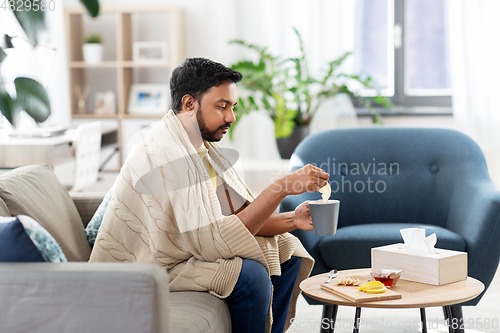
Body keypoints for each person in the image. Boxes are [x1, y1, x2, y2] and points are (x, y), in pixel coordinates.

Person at [89, 57, 329, 333]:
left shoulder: (201, 147)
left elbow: (239, 215)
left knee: (289, 250)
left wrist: (293, 220)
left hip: (185, 251)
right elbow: (214, 242)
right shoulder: (167, 153)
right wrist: (283, 186)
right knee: (250, 277)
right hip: (148, 267)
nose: (231, 117)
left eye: (232, 106)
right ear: (189, 104)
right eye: (221, 106)